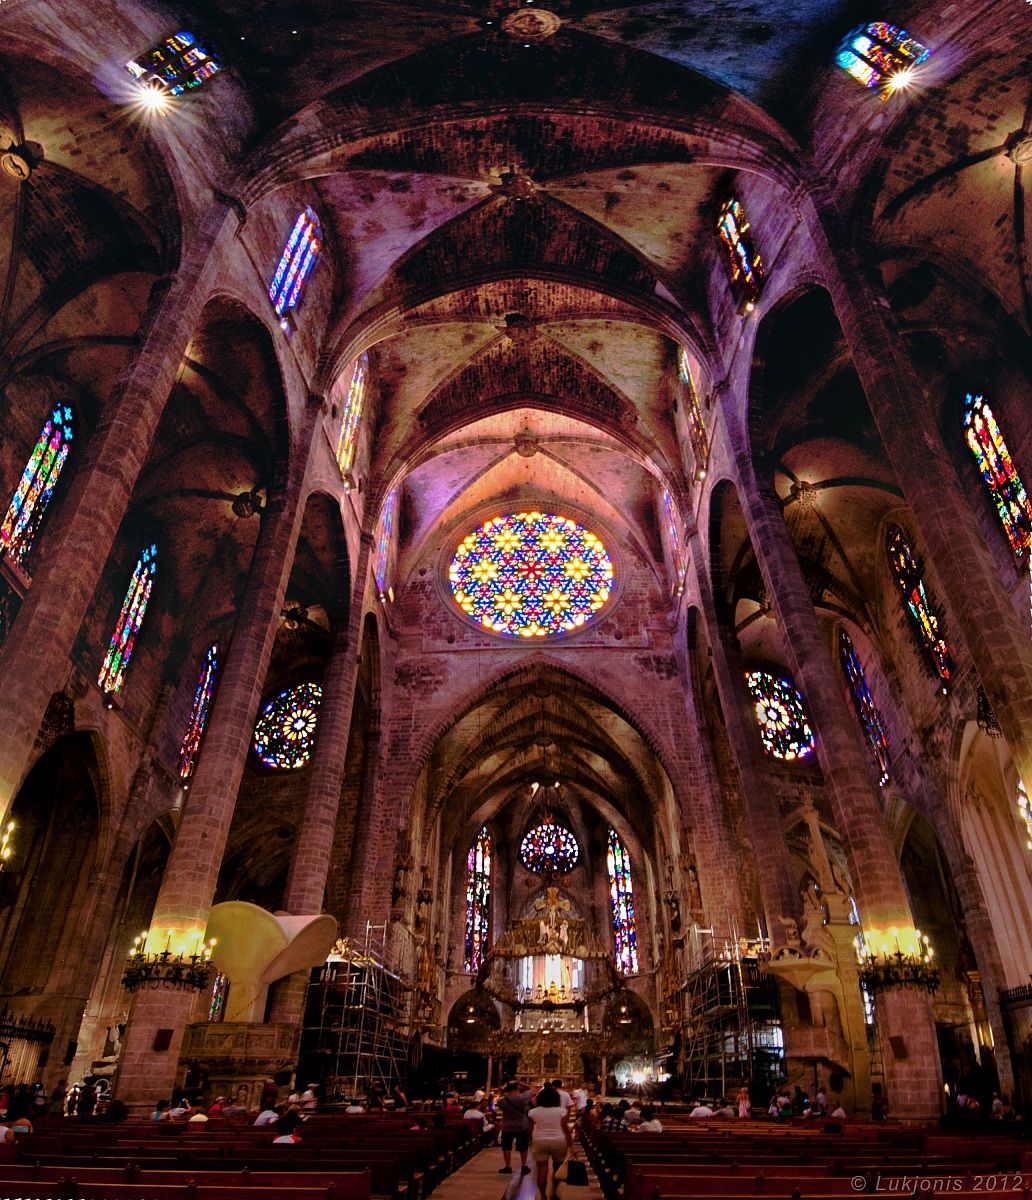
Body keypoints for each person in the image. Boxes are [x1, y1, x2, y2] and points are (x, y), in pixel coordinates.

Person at [528, 1085, 572, 1200]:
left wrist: (531, 1141)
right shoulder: (562, 1111)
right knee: (558, 1167)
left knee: (542, 1169)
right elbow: (565, 1129)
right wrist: (570, 1144)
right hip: (558, 1140)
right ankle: (553, 1191)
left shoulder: (533, 1112)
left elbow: (529, 1129)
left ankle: (543, 1195)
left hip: (540, 1140)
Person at [497, 1080, 533, 1177]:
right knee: (523, 1147)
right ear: (517, 1089)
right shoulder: (523, 1098)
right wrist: (520, 1082)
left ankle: (508, 1166)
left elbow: (500, 1105)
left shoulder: (501, 1101)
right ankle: (524, 1166)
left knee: (506, 1147)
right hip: (521, 1125)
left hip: (507, 1126)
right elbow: (533, 1089)